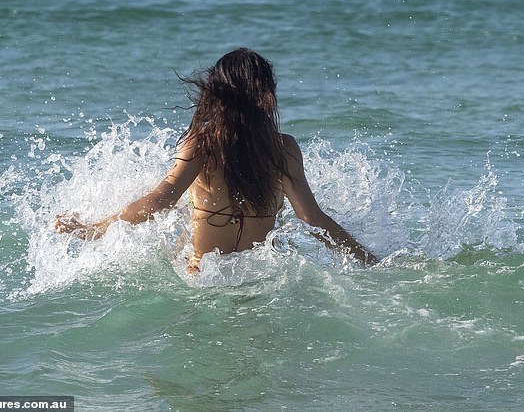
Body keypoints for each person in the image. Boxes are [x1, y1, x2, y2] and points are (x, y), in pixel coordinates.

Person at [55, 48, 378, 272]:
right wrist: (369, 260)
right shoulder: (284, 148)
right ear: (268, 94)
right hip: (260, 273)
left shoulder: (203, 144)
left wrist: (94, 230)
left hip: (203, 274)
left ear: (216, 91)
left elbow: (161, 200)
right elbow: (311, 217)